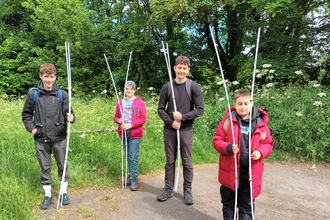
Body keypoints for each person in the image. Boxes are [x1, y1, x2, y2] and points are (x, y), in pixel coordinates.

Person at [212, 89, 273, 220]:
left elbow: (268, 143)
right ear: (235, 104)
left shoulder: (260, 124)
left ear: (252, 104)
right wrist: (228, 147)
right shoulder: (227, 121)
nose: (243, 107)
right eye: (240, 104)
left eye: (246, 103)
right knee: (229, 203)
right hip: (230, 171)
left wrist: (260, 151)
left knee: (246, 205)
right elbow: (217, 140)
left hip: (250, 172)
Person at [22, 63, 75, 210]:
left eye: (52, 77)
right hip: (41, 137)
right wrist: (31, 128)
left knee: (62, 165)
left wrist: (71, 117)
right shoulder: (33, 94)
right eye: (46, 77)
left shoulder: (62, 94)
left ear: (55, 77)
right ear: (41, 76)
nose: (49, 80)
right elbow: (26, 115)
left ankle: (63, 192)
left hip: (59, 137)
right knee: (45, 167)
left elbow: (69, 113)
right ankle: (48, 195)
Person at [157, 55, 204, 205]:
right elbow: (160, 109)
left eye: (184, 68)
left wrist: (183, 117)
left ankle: (187, 190)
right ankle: (168, 188)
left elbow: (200, 110)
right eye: (179, 68)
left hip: (186, 129)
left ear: (188, 70)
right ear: (174, 68)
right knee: (170, 160)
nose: (181, 71)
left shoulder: (193, 87)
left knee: (187, 161)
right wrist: (171, 122)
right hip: (170, 129)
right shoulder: (167, 87)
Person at [114, 80, 147, 191]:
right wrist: (119, 120)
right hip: (123, 133)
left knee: (133, 157)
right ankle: (130, 176)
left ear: (134, 90)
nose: (129, 91)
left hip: (135, 133)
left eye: (131, 89)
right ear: (125, 90)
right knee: (127, 156)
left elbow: (143, 119)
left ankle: (134, 179)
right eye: (127, 89)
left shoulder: (140, 103)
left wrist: (131, 125)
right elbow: (116, 117)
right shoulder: (121, 102)